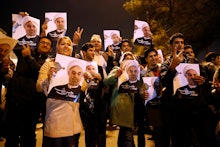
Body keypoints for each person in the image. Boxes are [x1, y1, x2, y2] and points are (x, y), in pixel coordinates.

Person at [160, 32, 217, 147]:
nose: (180, 45)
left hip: (195, 109)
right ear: (171, 46)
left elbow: (205, 79)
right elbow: (164, 82)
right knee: (180, 141)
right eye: (176, 43)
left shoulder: (193, 61)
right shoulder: (166, 63)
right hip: (176, 111)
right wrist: (172, 67)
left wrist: (203, 81)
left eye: (182, 42)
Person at [4, 36, 52, 146]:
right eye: (42, 42)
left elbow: (39, 71)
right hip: (15, 100)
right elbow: (11, 40)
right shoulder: (24, 51)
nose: (45, 45)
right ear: (37, 44)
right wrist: (18, 22)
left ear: (50, 49)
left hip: (32, 103)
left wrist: (29, 57)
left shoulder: (49, 62)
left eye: (48, 44)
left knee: (29, 135)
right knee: (12, 134)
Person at [36, 36, 83, 147]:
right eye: (63, 44)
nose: (66, 46)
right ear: (57, 47)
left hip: (72, 115)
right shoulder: (49, 63)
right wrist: (48, 79)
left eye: (69, 44)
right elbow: (38, 87)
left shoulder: (78, 66)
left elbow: (83, 88)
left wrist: (88, 78)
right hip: (55, 115)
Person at [173, 65, 216, 146]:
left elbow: (208, 101)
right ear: (185, 76)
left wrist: (203, 85)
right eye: (189, 75)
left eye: (194, 74)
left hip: (202, 124)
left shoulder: (204, 88)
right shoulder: (180, 90)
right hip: (187, 124)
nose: (192, 77)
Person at [79, 42, 106, 147]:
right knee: (89, 133)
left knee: (101, 132)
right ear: (84, 52)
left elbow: (105, 85)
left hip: (98, 103)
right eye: (90, 50)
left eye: (94, 50)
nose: (93, 53)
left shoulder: (98, 67)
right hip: (85, 104)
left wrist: (100, 78)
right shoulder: (79, 66)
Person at [0, 30, 18, 141]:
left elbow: (7, 79)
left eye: (6, 51)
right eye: (1, 50)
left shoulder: (6, 64)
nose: (3, 53)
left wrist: (5, 71)